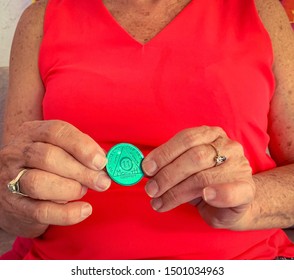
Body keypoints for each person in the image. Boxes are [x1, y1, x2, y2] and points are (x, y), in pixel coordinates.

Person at [0, 0, 294, 260]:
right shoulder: (40, 20)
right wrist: (15, 200)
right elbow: (12, 186)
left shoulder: (261, 12)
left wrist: (249, 201)